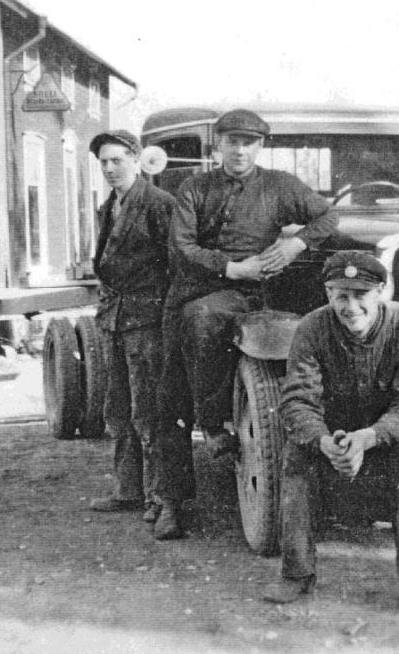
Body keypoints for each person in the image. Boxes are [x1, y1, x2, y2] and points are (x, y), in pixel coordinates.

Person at [154, 108, 338, 540]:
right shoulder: (194, 188)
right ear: (218, 145)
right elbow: (180, 247)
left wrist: (297, 243)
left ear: (260, 146)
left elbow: (327, 217)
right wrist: (229, 267)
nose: (240, 149)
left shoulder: (279, 186)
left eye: (249, 142)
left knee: (229, 326)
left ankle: (223, 423)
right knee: (168, 394)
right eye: (232, 141)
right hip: (193, 292)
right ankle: (172, 498)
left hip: (253, 295)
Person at [261, 250, 399, 615]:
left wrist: (367, 438)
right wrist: (327, 442)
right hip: (334, 439)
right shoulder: (311, 329)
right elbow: (296, 404)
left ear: (381, 294)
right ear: (328, 295)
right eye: (341, 296)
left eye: (361, 295)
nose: (351, 306)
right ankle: (296, 571)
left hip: (387, 438)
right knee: (296, 456)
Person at [87, 130, 175, 526]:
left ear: (137, 160)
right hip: (115, 320)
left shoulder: (158, 205)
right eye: (104, 162)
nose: (109, 168)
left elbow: (177, 266)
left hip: (148, 320)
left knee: (150, 410)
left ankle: (161, 498)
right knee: (118, 407)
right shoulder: (109, 207)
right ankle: (127, 489)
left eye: (117, 160)